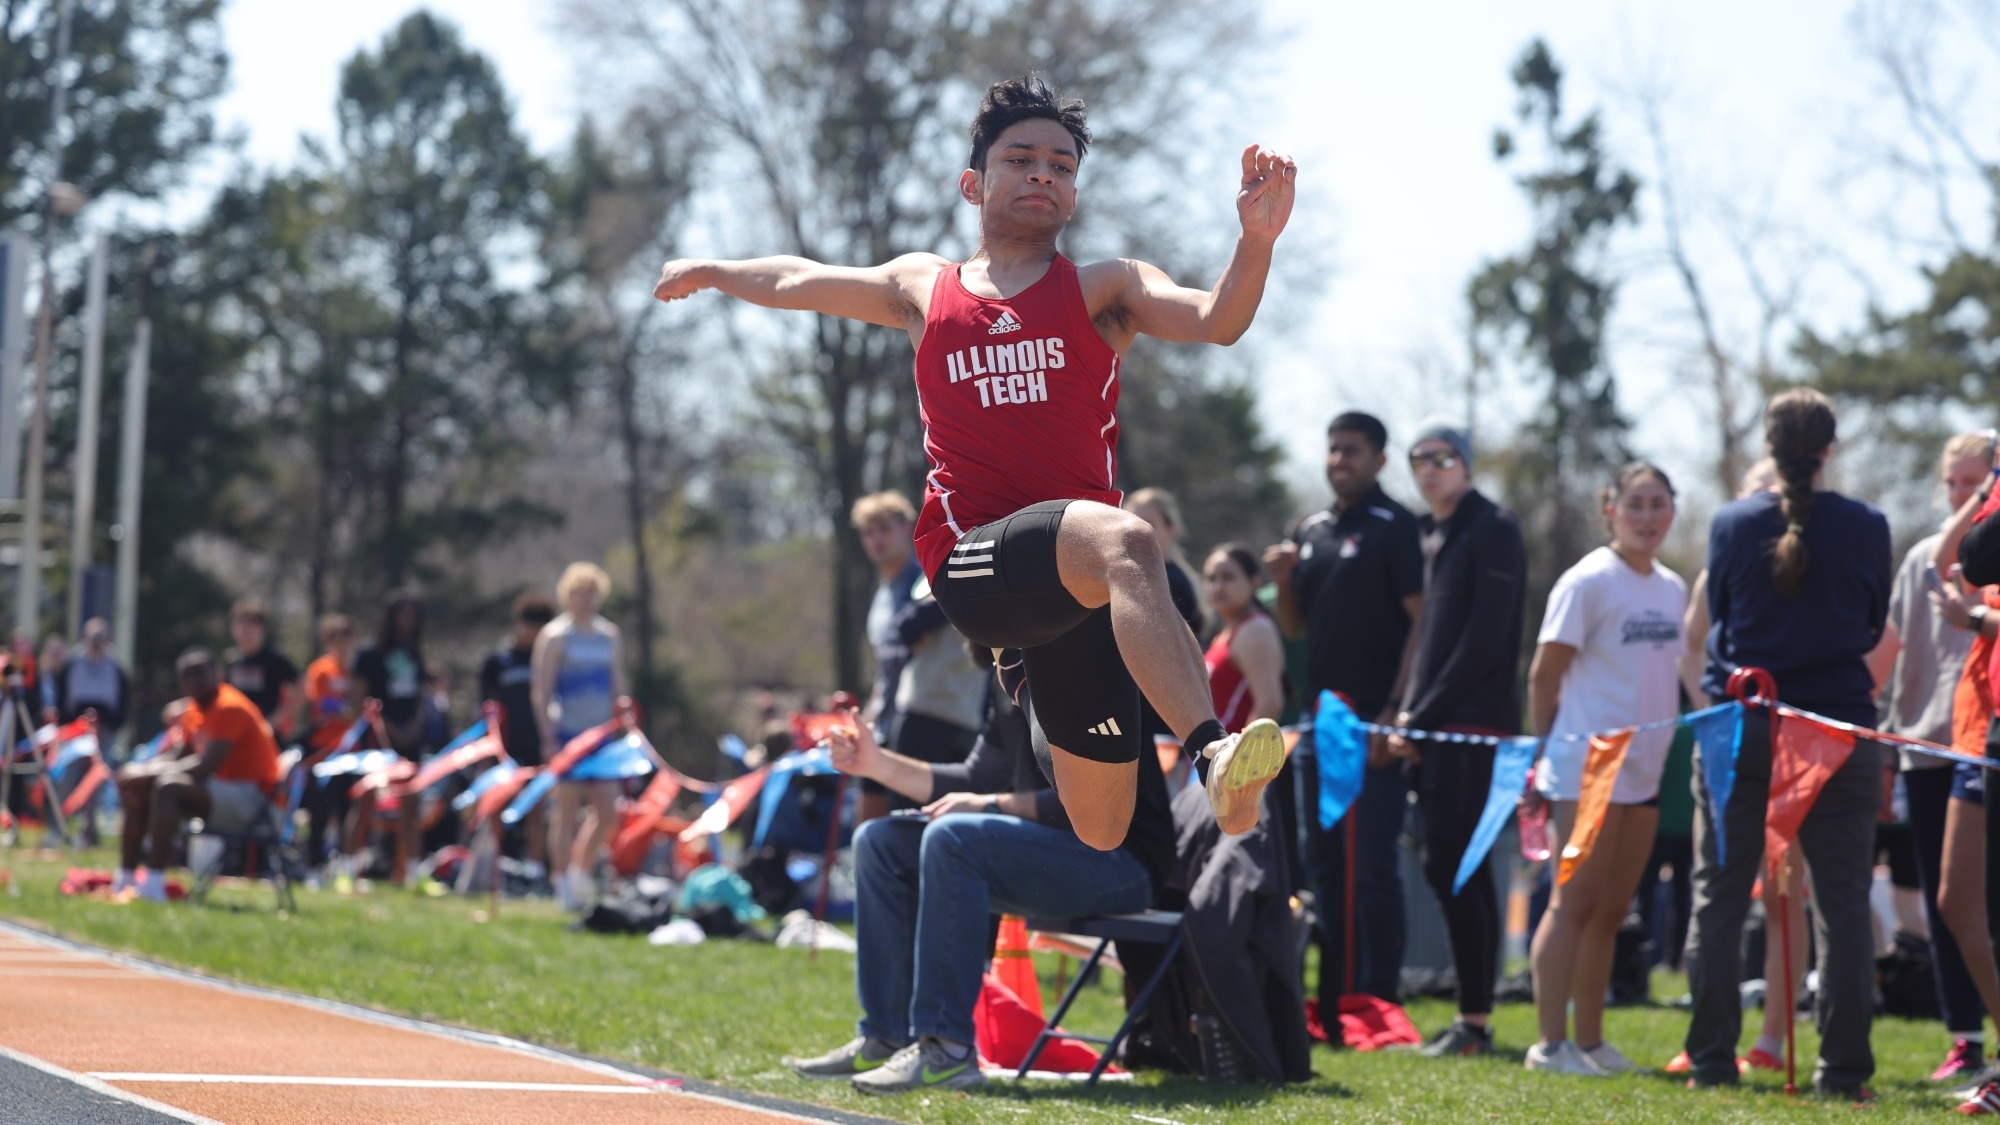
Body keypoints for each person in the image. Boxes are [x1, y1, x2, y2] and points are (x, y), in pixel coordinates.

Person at [652, 75, 1295, 845]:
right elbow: (798, 280)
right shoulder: (925, 288)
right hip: (972, 560)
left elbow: (1217, 319)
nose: (1041, 175)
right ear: (973, 183)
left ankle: (1046, 695)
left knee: (1101, 824)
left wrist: (1255, 242)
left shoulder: (1106, 288)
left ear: (1075, 195)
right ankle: (1212, 751)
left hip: (1074, 579)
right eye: (1020, 159)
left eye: (1060, 167)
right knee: (1127, 537)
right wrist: (715, 270)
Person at [785, 654, 1174, 1095]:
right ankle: (886, 1037)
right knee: (881, 842)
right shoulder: (1008, 671)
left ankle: (947, 1049)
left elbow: (1090, 803)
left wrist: (989, 805)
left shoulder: (1083, 662)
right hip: (1054, 854)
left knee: (955, 838)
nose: (955, 612)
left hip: (1122, 865)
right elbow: (978, 776)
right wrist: (876, 765)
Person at [1682, 388, 1890, 1098]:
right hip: (1836, 727)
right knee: (1842, 904)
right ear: (1829, 447)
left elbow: (1725, 616)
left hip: (1748, 727)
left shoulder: (1733, 522)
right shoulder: (1867, 524)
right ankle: (1845, 1071)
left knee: (1718, 895)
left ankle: (1710, 1059)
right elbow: (1870, 625)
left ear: (1769, 448)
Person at [1523, 463, 1687, 1077]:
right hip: (1585, 769)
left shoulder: (1673, 587)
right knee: (1573, 902)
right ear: (1611, 510)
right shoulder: (1588, 580)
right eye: (1636, 503)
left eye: (1658, 504)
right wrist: (1544, 751)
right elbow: (1544, 674)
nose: (1647, 516)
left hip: (1646, 771)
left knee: (1614, 908)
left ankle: (1589, 1042)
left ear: (1672, 510)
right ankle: (1549, 1045)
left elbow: (1681, 671)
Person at [1265, 410, 1426, 1012]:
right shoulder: (1310, 529)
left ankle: (1378, 998)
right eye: (1333, 450)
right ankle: (1332, 997)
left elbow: (1421, 621)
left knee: (1373, 865)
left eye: (1352, 451)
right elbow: (1293, 627)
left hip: (1373, 722)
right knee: (1323, 863)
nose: (1340, 461)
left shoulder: (1396, 525)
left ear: (1379, 460)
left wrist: (1395, 711)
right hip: (1317, 721)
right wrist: (1283, 580)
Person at [1385, 420, 1527, 1059]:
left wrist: (1423, 716)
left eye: (1443, 457)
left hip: (1472, 729)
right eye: (1420, 459)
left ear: (1466, 465)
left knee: (1461, 868)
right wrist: (1411, 711)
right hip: (1436, 724)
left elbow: (1484, 641)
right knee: (1447, 867)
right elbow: (1432, 641)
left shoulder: (1492, 527)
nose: (1431, 468)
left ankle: (1474, 1021)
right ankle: (1474, 1018)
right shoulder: (1431, 532)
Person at [1875, 432, 1997, 1082]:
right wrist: (1889, 743)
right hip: (1928, 745)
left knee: (1975, 901)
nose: (1964, 495)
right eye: (1954, 482)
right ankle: (1965, 1038)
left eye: (1976, 482)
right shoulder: (1926, 555)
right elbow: (1897, 658)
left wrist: (1977, 616)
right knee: (1948, 900)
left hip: (1981, 742)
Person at [112, 649, 282, 902]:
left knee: (168, 787)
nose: (194, 681)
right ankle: (125, 878)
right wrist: (138, 772)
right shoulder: (195, 709)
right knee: (139, 787)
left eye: (200, 673)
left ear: (217, 674)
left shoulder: (229, 706)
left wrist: (146, 771)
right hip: (225, 793)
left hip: (257, 801)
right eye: (187, 676)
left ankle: (154, 884)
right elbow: (179, 756)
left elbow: (205, 765)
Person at [533, 563, 626, 909]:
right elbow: (541, 690)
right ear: (567, 595)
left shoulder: (609, 635)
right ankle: (561, 883)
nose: (586, 600)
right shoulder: (555, 636)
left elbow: (618, 682)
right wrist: (548, 736)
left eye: (591, 592)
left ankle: (580, 872)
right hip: (567, 736)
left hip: (602, 738)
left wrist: (625, 719)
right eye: (579, 592)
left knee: (607, 811)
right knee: (566, 811)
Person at [351, 590, 431, 885]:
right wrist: (385, 728)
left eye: (413, 614)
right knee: (366, 802)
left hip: (411, 739)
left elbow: (422, 697)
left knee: (412, 804)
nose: (408, 621)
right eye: (403, 613)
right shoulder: (369, 654)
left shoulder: (414, 652)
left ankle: (411, 873)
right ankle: (351, 868)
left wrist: (415, 726)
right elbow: (358, 699)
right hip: (376, 741)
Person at [853, 490, 925, 819]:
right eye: (868, 532)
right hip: (885, 724)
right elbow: (885, 669)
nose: (876, 539)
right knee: (868, 825)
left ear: (905, 527)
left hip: (921, 723)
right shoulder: (881, 594)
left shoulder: (924, 584)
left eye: (883, 528)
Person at [481, 592, 555, 876]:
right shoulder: (498, 660)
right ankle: (494, 868)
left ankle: (536, 869)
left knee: (537, 808)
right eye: (530, 625)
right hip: (505, 746)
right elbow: (485, 704)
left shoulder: (546, 660)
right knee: (498, 805)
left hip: (539, 743)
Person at [1203, 545, 1284, 733]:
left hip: (1235, 757)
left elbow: (1270, 705)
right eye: (1211, 578)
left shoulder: (1255, 629)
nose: (1218, 587)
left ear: (1254, 582)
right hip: (1213, 756)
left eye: (1228, 577)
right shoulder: (1227, 631)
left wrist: (1241, 757)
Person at [224, 599, 303, 741]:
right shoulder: (232, 661)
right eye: (241, 625)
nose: (245, 631)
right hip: (237, 734)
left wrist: (275, 721)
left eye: (251, 626)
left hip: (268, 736)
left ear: (262, 629)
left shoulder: (274, 659)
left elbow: (301, 687)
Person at [55, 617, 130, 738]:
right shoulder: (72, 665)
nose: (97, 642)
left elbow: (123, 699)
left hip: (105, 730)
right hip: (74, 729)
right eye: (94, 638)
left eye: (100, 638)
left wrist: (115, 724)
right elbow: (62, 696)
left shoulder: (115, 668)